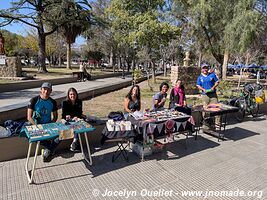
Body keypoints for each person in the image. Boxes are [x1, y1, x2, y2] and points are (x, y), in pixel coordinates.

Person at [27, 82, 58, 162]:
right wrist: (38, 126)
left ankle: (48, 151)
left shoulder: (53, 102)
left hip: (48, 125)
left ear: (51, 91)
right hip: (36, 126)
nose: (46, 91)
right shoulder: (34, 100)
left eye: (48, 90)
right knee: (32, 136)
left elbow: (55, 116)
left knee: (61, 135)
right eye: (44, 89)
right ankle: (50, 150)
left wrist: (51, 124)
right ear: (41, 89)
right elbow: (29, 117)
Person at [62, 87, 86, 151]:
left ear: (76, 94)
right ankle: (75, 142)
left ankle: (75, 142)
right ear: (68, 95)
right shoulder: (64, 102)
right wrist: (70, 117)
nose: (73, 96)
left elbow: (79, 112)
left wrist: (76, 117)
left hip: (76, 119)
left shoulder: (79, 101)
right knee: (73, 126)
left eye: (74, 94)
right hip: (67, 120)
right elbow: (64, 115)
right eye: (71, 94)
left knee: (77, 124)